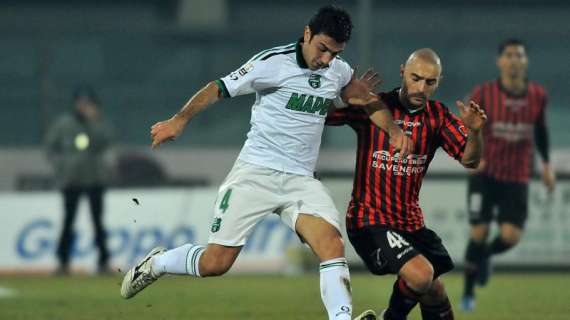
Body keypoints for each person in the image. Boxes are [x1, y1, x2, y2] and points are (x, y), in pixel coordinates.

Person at [120, 6, 412, 320]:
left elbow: (362, 99)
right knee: (215, 263)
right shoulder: (272, 63)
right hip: (255, 173)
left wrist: (393, 131)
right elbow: (218, 88)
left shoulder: (338, 70)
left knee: (331, 244)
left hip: (300, 180)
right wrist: (179, 120)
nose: (326, 59)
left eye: (335, 53)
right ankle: (158, 263)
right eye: (322, 49)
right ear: (307, 34)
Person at [327, 49, 487, 320]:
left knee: (434, 290)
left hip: (411, 225)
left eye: (430, 82)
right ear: (402, 72)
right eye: (416, 78)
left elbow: (470, 161)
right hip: (370, 222)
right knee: (422, 275)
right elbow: (324, 115)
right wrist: (342, 95)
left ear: (438, 82)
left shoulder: (437, 117)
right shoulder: (375, 105)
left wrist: (475, 132)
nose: (422, 87)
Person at [460, 39, 555, 311]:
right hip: (485, 174)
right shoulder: (484, 93)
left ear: (525, 62)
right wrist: (471, 153)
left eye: (519, 55)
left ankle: (486, 257)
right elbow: (468, 127)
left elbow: (541, 130)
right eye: (509, 55)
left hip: (517, 175)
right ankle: (468, 294)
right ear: (499, 61)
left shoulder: (537, 95)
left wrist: (546, 165)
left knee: (511, 236)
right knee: (478, 231)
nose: (514, 60)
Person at [45, 86, 114, 275]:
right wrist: (62, 167)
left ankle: (104, 262)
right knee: (68, 221)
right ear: (75, 104)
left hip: (95, 179)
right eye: (81, 102)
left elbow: (105, 141)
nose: (84, 106)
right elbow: (51, 148)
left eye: (87, 103)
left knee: (98, 222)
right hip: (71, 180)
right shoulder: (64, 124)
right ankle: (63, 262)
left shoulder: (98, 123)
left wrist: (94, 122)